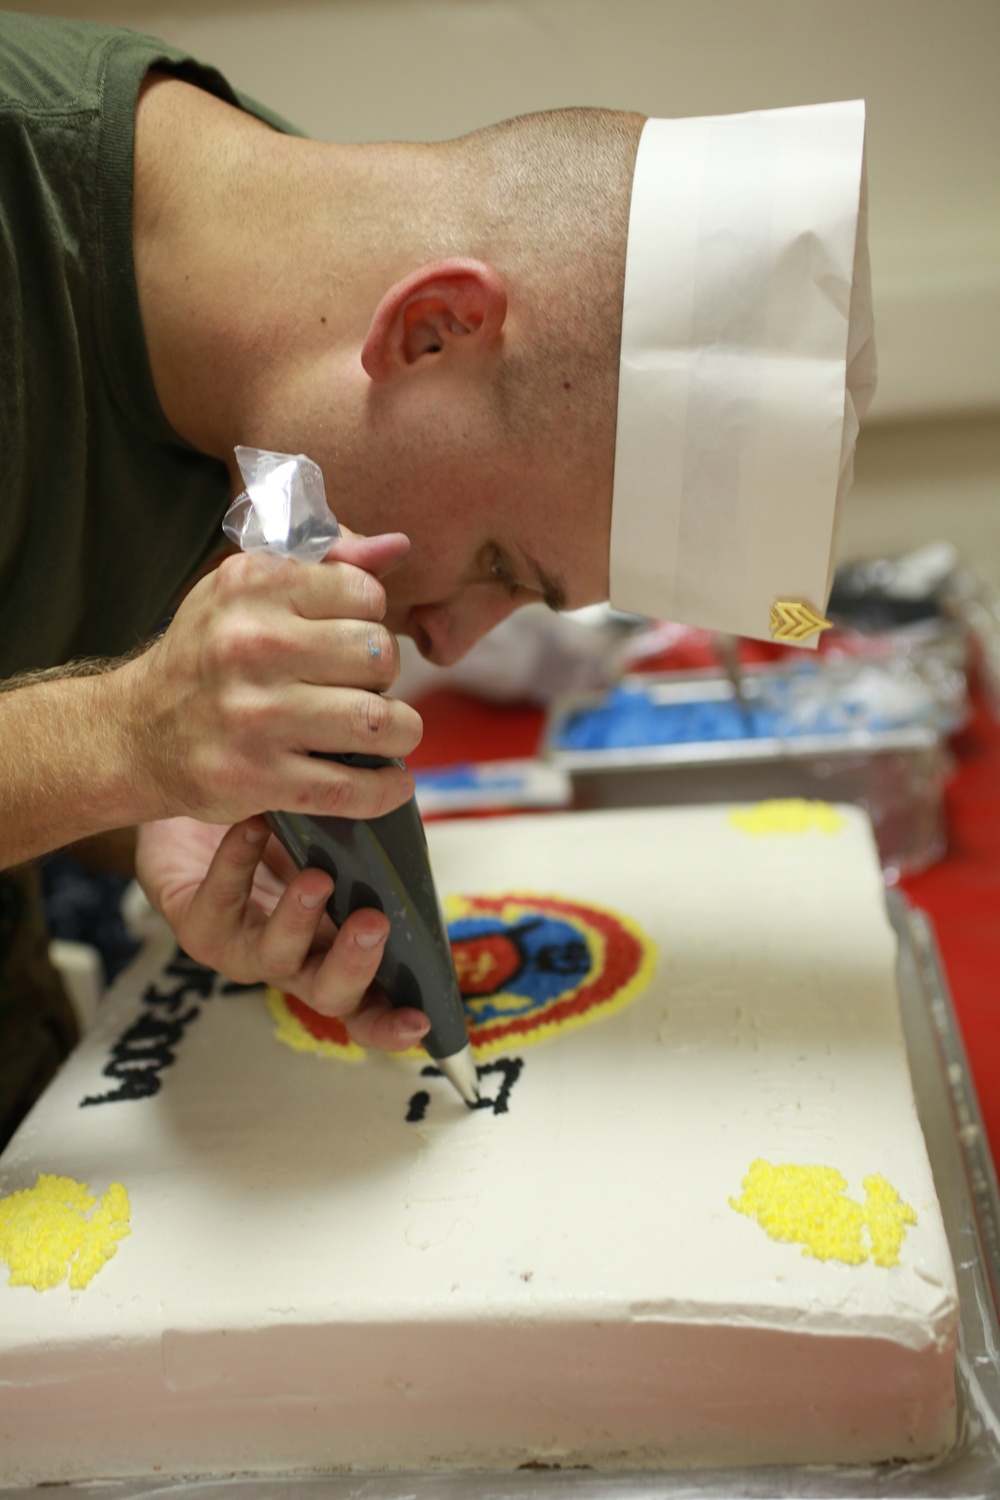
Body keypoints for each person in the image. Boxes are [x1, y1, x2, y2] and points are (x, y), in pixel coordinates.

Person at [1, 12, 873, 1145]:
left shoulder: (283, 318)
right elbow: (98, 702)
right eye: (502, 564)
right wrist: (122, 739)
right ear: (430, 331)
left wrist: (155, 808)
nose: (455, 644)